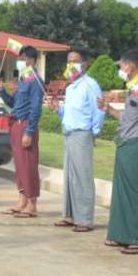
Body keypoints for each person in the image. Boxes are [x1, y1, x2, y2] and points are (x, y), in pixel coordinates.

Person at [99, 50, 138, 254]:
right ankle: (121, 234)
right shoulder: (133, 89)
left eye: (122, 65)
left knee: (137, 191)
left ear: (131, 66)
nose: (120, 69)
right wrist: (109, 109)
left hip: (137, 144)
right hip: (125, 142)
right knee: (121, 191)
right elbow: (129, 117)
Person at [52, 47, 105, 233]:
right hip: (69, 133)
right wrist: (58, 109)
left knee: (82, 177)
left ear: (84, 64)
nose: (71, 65)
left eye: (75, 61)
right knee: (69, 177)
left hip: (82, 134)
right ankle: (70, 215)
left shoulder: (90, 85)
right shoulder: (71, 87)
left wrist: (94, 132)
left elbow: (99, 110)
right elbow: (70, 112)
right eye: (69, 62)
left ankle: (85, 219)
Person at [0, 44, 46, 218]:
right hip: (16, 124)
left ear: (31, 60)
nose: (19, 62)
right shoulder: (24, 79)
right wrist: (2, 91)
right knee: (20, 166)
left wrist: (29, 131)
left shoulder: (36, 81)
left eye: (22, 59)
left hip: (25, 125)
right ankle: (22, 201)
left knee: (28, 165)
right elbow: (13, 103)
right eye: (19, 58)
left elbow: (35, 108)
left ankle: (32, 204)